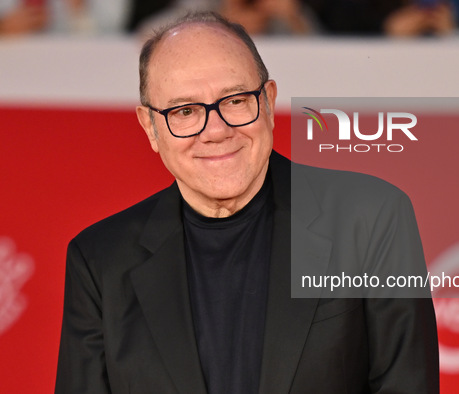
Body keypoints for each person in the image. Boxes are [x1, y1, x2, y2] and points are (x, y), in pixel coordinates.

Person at [55, 11, 439, 394]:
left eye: (235, 100)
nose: (216, 130)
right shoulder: (99, 262)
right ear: (150, 128)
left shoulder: (371, 218)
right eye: (185, 111)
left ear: (269, 103)